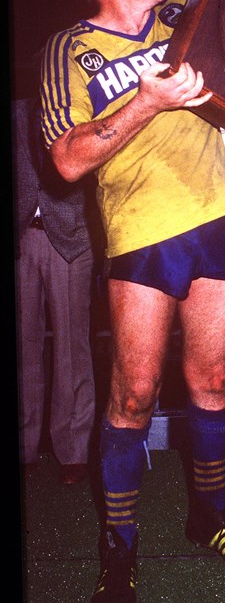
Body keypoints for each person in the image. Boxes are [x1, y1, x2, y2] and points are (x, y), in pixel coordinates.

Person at [40, 0, 225, 602]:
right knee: (134, 395)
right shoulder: (70, 50)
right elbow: (66, 160)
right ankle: (119, 546)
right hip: (141, 232)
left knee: (213, 382)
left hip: (217, 214)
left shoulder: (184, 12)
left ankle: (210, 513)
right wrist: (147, 100)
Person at [13, 94, 98, 485]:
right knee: (22, 346)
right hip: (20, 238)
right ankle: (24, 446)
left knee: (71, 346)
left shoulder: (81, 100)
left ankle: (73, 451)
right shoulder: (17, 109)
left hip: (72, 236)